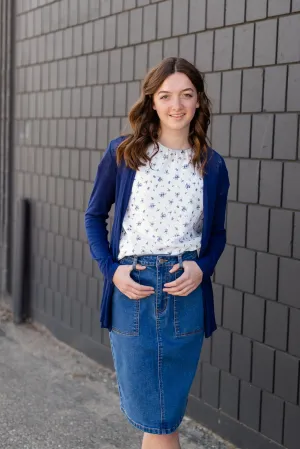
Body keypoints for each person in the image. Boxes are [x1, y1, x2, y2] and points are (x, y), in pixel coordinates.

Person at [85, 57, 230, 449]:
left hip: (186, 294)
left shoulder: (212, 166)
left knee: (164, 418)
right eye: (166, 96)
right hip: (135, 290)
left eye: (186, 95)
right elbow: (94, 217)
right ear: (152, 102)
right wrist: (111, 270)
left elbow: (216, 235)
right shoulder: (125, 154)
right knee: (159, 418)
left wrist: (202, 268)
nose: (176, 105)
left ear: (199, 101)